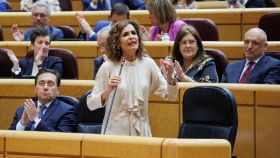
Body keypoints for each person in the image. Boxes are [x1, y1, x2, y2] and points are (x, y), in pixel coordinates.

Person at [86, 20, 178, 136]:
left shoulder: (148, 64)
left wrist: (170, 78)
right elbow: (91, 104)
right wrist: (107, 91)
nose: (131, 37)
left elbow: (171, 96)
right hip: (115, 134)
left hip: (142, 133)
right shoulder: (107, 67)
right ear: (117, 42)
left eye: (133, 33)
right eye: (125, 34)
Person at [9, 69, 77, 132]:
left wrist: (36, 120)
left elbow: (62, 139)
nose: (45, 87)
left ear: (57, 90)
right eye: (41, 83)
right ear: (35, 89)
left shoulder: (67, 111)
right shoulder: (22, 110)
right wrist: (22, 124)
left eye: (50, 84)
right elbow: (8, 139)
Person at [82, 0, 146, 11]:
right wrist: (94, 3)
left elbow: (142, 6)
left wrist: (127, 18)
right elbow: (85, 18)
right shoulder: (87, 0)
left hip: (122, 26)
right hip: (100, 30)